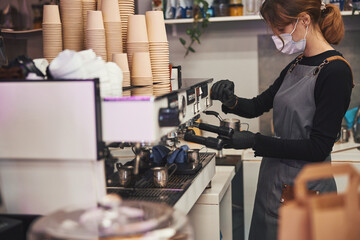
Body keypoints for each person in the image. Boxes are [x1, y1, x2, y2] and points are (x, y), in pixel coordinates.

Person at [210, 0, 354, 239]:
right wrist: (230, 100)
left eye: (280, 30)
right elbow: (258, 105)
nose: (277, 38)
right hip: (272, 184)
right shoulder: (296, 64)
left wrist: (254, 141)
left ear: (305, 20)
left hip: (306, 191)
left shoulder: (336, 72)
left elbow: (318, 148)